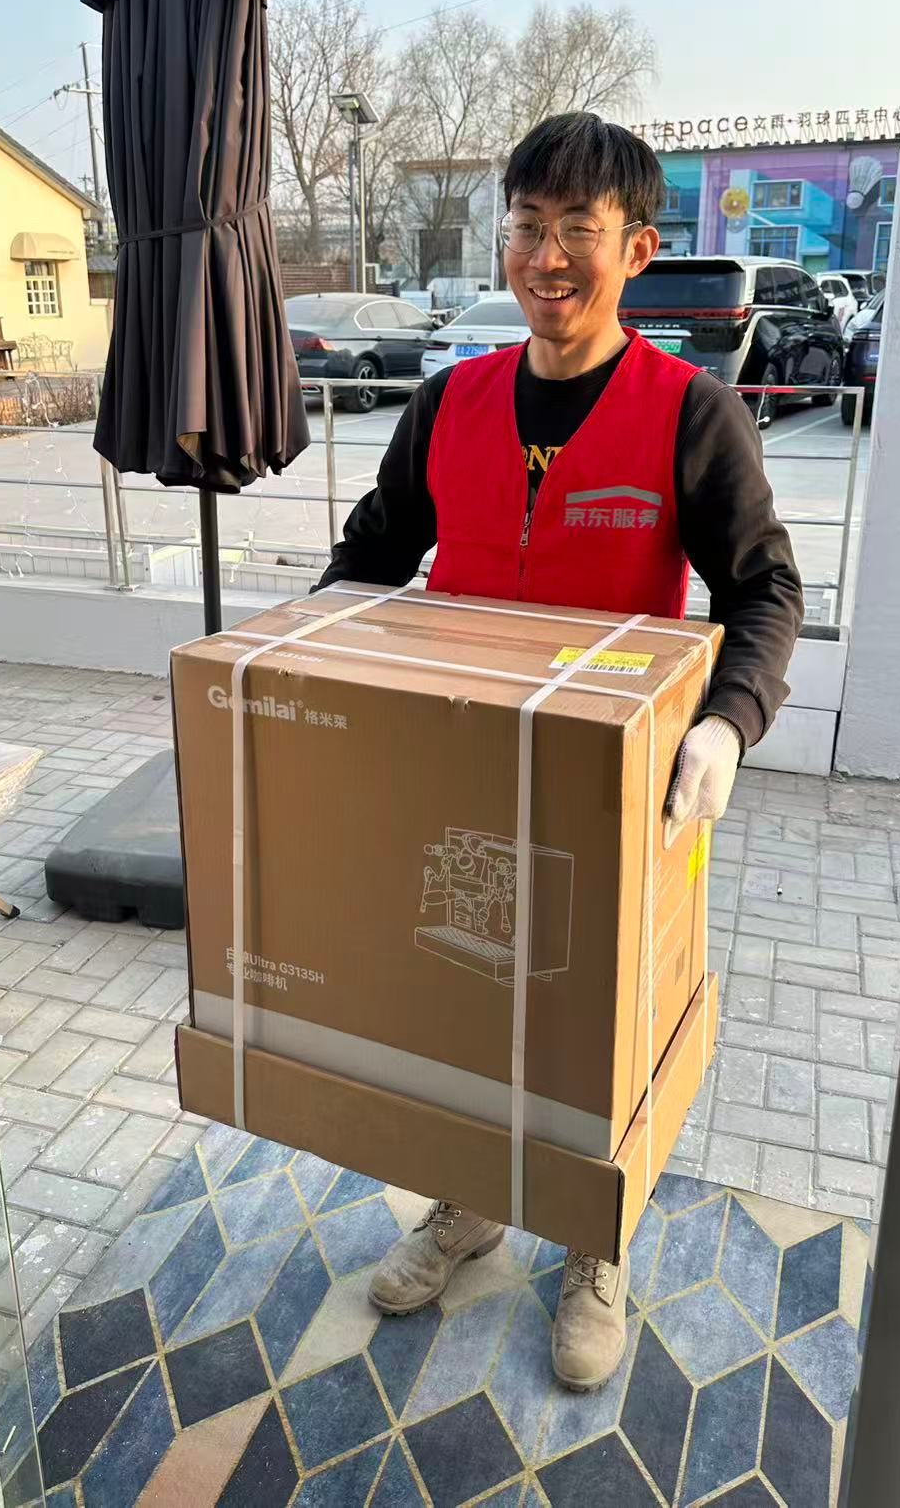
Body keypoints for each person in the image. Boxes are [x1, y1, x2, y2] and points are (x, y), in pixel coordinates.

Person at [318, 111, 802, 1391]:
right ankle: (472, 1203)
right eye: (524, 228)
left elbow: (762, 589)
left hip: (624, 791)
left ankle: (595, 1243)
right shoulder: (450, 403)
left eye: (573, 232)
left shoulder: (687, 414)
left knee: (607, 1031)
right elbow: (370, 555)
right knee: (471, 1003)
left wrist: (727, 722)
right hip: (466, 774)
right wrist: (302, 672)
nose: (543, 257)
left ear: (633, 248)